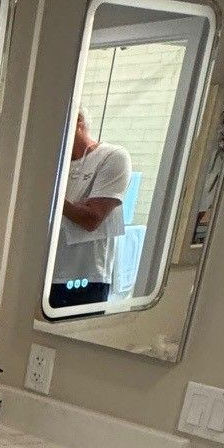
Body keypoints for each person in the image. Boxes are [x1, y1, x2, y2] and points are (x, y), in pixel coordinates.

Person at [50, 110, 131, 309]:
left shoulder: (112, 156)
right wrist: (73, 207)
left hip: (85, 276)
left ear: (77, 121)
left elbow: (92, 219)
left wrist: (52, 197)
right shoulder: (54, 164)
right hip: (45, 273)